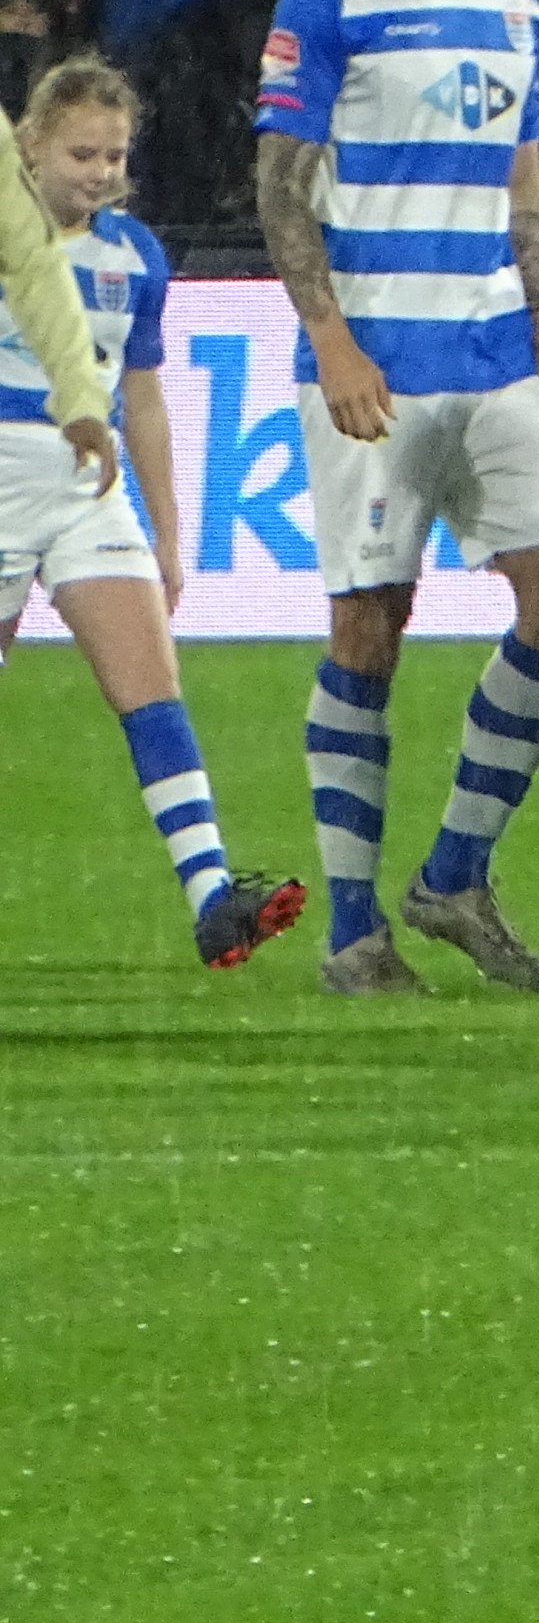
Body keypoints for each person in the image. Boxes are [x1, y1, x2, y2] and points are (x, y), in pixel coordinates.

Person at [257, 0, 539, 999]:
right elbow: (282, 181)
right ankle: (354, 930)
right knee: (369, 625)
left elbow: (529, 190)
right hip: (381, 361)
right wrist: (332, 340)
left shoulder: (518, 2)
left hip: (498, 352)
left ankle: (454, 874)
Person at [3, 61, 300, 966]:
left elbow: (147, 398)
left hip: (89, 486)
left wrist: (170, 531)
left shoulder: (134, 256)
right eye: (81, 152)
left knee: (153, 695)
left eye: (114, 155)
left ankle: (213, 895)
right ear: (30, 146)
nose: (99, 171)